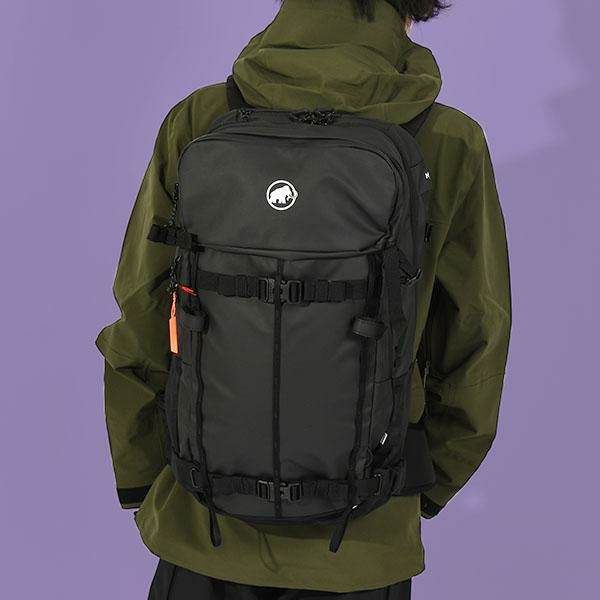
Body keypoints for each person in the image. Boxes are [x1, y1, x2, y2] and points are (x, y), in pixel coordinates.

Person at [95, 0, 512, 598]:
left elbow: (141, 310)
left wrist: (142, 476)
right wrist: (419, 484)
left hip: (201, 525)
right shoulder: (449, 138)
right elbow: (477, 336)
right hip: (362, 540)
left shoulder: (200, 119)